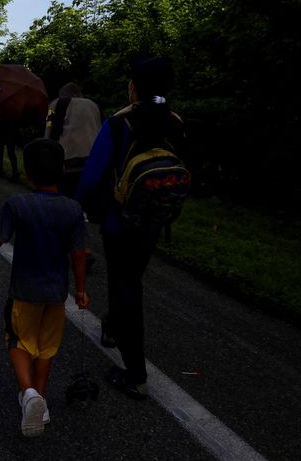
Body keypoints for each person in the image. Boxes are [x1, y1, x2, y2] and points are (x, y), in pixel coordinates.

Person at [76, 56, 183, 400]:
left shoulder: (120, 124)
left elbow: (92, 177)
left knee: (126, 285)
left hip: (118, 220)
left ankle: (135, 373)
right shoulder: (176, 122)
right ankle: (112, 327)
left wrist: (83, 206)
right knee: (130, 278)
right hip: (156, 218)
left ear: (133, 87)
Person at [0, 138, 89, 437]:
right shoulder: (73, 210)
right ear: (62, 170)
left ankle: (28, 392)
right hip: (56, 294)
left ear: (26, 173)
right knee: (46, 348)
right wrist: (82, 290)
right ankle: (41, 400)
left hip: (24, 292)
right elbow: (78, 255)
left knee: (19, 341)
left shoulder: (18, 204)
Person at [45, 82, 102, 199]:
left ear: (62, 94)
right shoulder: (94, 106)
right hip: (92, 163)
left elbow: (49, 134)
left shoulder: (56, 104)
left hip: (67, 164)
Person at [0, 115, 21, 181]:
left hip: (2, 133)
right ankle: (15, 171)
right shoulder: (14, 113)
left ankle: (0, 171)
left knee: (0, 152)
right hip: (11, 134)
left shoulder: (1, 111)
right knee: (11, 153)